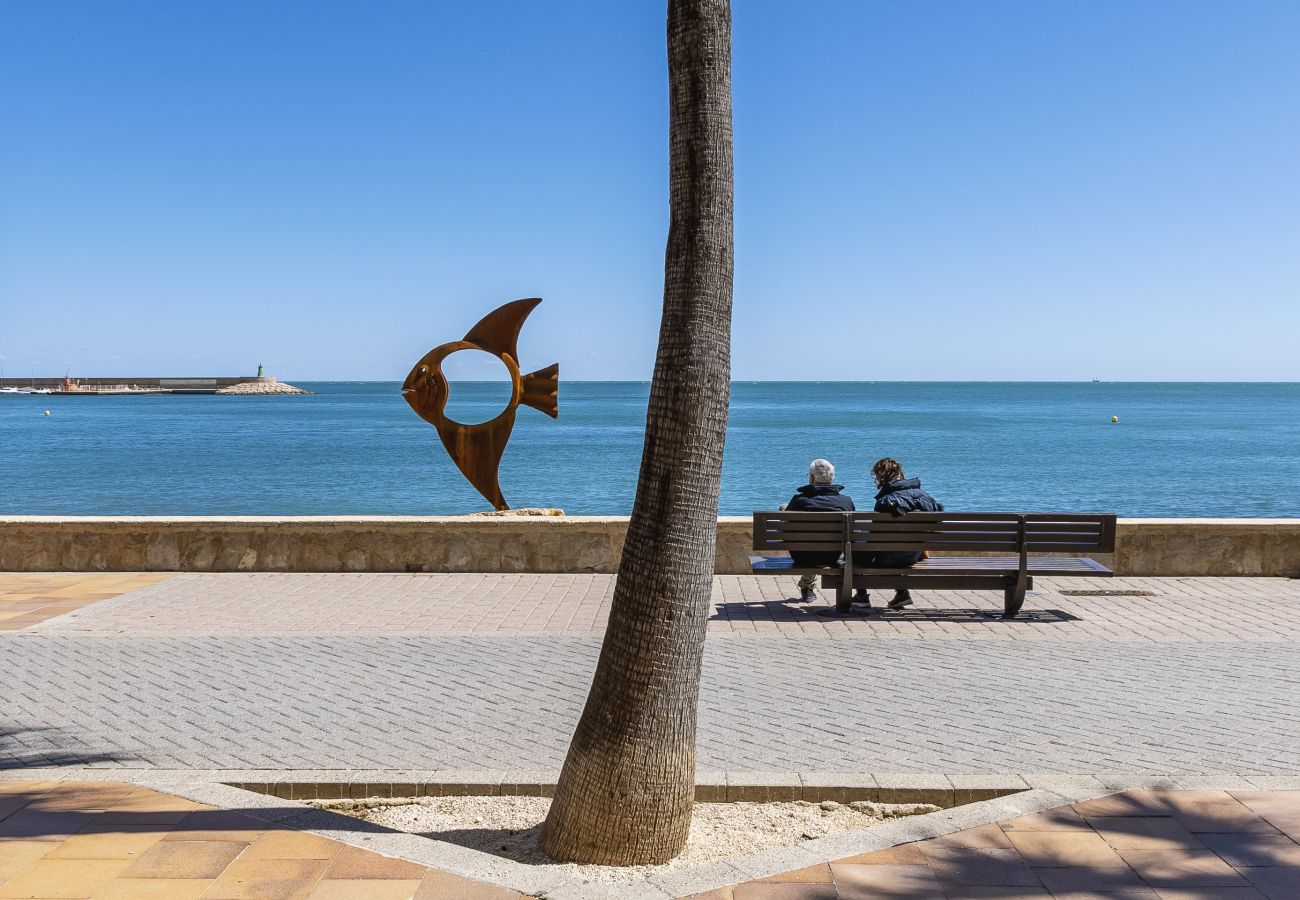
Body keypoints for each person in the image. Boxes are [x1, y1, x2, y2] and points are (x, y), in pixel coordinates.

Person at [862, 457, 944, 609]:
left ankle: (861, 595)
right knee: (897, 545)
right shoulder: (925, 497)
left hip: (888, 557)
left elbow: (875, 538)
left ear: (881, 477)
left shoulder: (885, 501)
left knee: (857, 549)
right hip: (912, 555)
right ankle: (902, 594)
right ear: (900, 473)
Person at [782, 459, 854, 602]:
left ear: (812, 478)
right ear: (832, 478)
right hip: (831, 556)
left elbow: (785, 529)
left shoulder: (799, 501)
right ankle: (807, 586)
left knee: (783, 509)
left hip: (801, 556)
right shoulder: (846, 502)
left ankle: (807, 586)